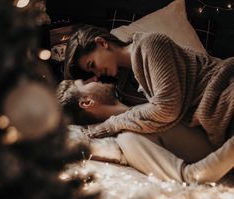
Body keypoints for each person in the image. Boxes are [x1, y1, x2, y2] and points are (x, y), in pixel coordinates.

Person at [64, 24, 234, 148]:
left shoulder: (150, 43)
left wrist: (111, 125)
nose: (97, 73)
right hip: (218, 120)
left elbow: (167, 108)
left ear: (101, 43)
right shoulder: (125, 85)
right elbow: (144, 114)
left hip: (226, 92)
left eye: (92, 64)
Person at [56, 79, 234, 184]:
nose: (94, 77)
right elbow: (189, 177)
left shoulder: (152, 102)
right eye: (86, 82)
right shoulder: (129, 138)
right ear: (87, 102)